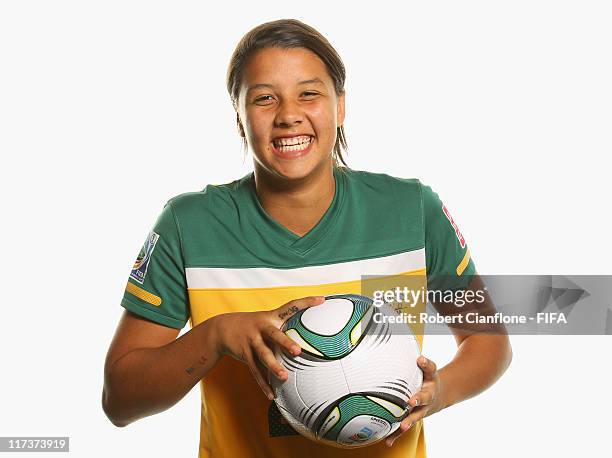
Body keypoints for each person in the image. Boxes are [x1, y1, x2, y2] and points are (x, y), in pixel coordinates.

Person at [102, 18, 512, 458]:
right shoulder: (189, 225)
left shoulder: (410, 210)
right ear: (239, 118)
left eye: (309, 93)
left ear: (340, 106)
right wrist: (217, 336)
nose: (288, 114)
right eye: (264, 98)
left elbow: (489, 340)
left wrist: (440, 390)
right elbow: (120, 401)